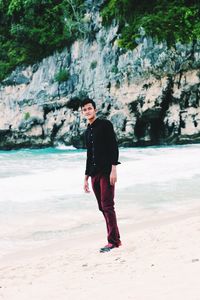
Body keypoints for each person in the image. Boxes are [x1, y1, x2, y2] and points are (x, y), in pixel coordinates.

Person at [81, 98, 121, 253]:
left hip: (106, 172)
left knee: (108, 205)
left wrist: (114, 169)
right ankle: (116, 239)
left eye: (90, 108)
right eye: (84, 110)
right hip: (93, 174)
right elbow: (89, 155)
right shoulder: (87, 132)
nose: (87, 111)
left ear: (95, 110)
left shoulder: (105, 125)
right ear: (82, 112)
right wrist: (85, 178)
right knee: (102, 207)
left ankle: (112, 242)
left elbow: (113, 146)